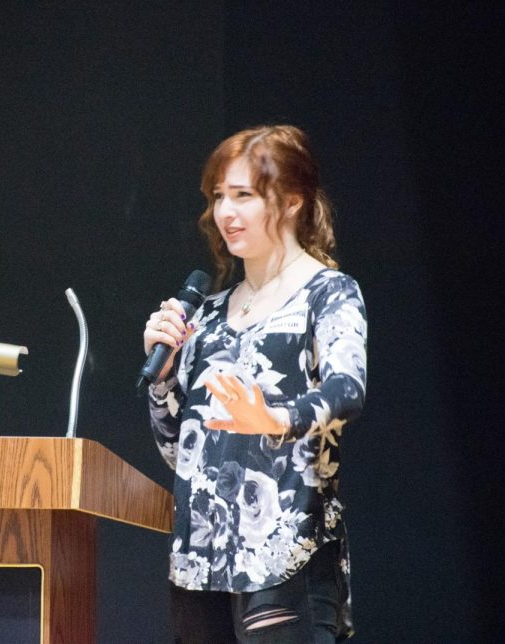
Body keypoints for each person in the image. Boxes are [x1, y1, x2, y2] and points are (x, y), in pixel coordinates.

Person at [143, 125, 366, 643]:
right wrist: (165, 377)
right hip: (198, 569)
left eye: (243, 195)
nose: (225, 212)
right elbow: (180, 453)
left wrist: (278, 418)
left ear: (291, 201)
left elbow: (348, 388)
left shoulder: (326, 294)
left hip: (285, 561)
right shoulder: (210, 314)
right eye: (219, 197)